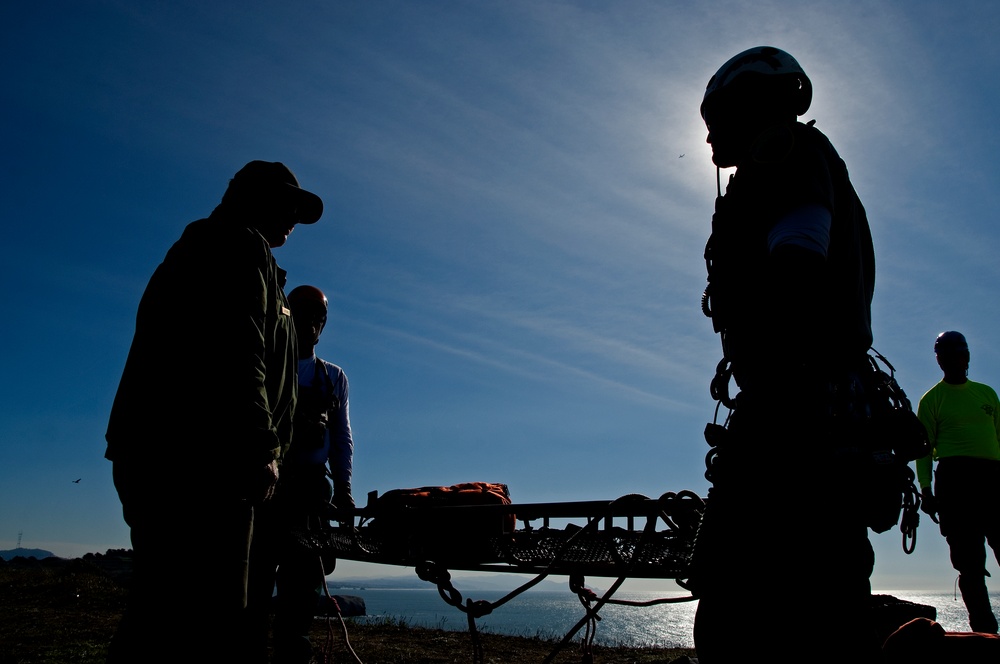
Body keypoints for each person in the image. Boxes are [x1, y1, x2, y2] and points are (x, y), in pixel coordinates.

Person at [692, 47, 879, 662]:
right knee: (820, 584)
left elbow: (800, 261)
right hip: (821, 400)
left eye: (716, 118)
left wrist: (779, 396)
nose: (710, 134)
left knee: (741, 591)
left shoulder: (787, 156)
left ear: (750, 107)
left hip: (798, 404)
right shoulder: (801, 161)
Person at [104, 160, 323, 663]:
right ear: (255, 199)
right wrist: (261, 446)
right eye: (288, 205)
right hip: (197, 459)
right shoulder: (231, 246)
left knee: (169, 606)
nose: (294, 219)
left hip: (189, 454)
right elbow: (235, 352)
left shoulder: (244, 257)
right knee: (203, 612)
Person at [244, 284, 355, 663]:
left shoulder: (334, 378)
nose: (311, 324)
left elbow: (342, 439)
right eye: (303, 315)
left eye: (317, 318)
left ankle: (294, 654)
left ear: (323, 325)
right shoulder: (267, 368)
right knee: (253, 584)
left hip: (312, 493)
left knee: (303, 588)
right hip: (266, 487)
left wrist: (343, 488)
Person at [916, 330, 1000, 633]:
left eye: (957, 353)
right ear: (939, 360)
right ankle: (986, 633)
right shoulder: (932, 400)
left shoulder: (988, 394)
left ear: (967, 357)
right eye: (945, 354)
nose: (952, 359)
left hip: (992, 479)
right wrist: (925, 489)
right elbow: (923, 452)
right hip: (954, 483)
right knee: (970, 566)